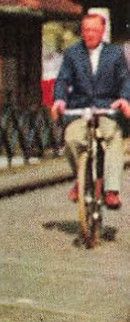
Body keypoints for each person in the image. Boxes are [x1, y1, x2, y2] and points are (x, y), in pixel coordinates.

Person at [51, 11, 130, 210]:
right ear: (82, 31)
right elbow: (63, 79)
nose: (90, 34)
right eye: (86, 30)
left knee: (113, 138)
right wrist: (59, 100)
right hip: (80, 107)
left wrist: (124, 99)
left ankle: (111, 190)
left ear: (102, 31)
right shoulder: (72, 53)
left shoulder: (115, 53)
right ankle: (82, 179)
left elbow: (125, 80)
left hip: (107, 107)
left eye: (94, 30)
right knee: (71, 139)